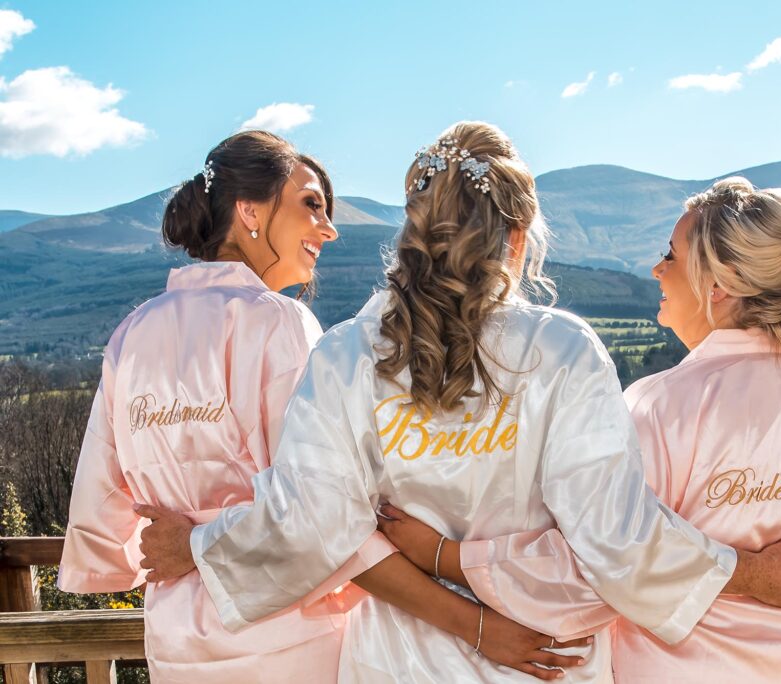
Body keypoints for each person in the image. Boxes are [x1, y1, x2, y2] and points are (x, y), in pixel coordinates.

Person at [138, 123, 781, 683]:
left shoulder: (347, 357)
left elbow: (311, 525)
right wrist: (748, 573)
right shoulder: (560, 351)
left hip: (395, 666)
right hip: (548, 663)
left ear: (416, 231)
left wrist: (198, 545)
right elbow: (614, 535)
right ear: (516, 238)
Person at [59, 130, 587, 683]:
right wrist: (475, 625)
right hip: (287, 638)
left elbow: (100, 505)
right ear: (249, 211)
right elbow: (328, 520)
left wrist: (167, 548)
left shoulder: (132, 334)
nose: (329, 229)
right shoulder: (276, 324)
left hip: (176, 641)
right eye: (311, 204)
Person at [378, 176, 781, 682]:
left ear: (718, 286)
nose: (656, 269)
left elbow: (593, 561)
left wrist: (450, 558)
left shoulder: (654, 409)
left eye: (670, 255)